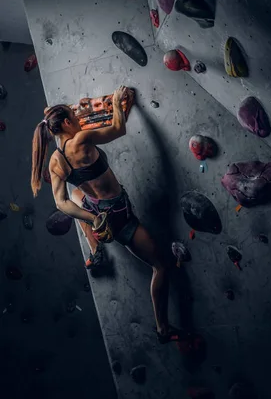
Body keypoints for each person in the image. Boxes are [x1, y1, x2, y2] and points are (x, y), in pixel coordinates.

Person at [31, 86, 181, 344]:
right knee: (161, 266)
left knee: (76, 196)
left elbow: (61, 203)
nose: (79, 118)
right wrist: (115, 102)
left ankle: (94, 246)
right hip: (118, 215)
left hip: (94, 207)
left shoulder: (55, 161)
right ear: (67, 123)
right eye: (74, 116)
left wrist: (91, 218)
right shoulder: (81, 140)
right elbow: (118, 129)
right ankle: (162, 328)